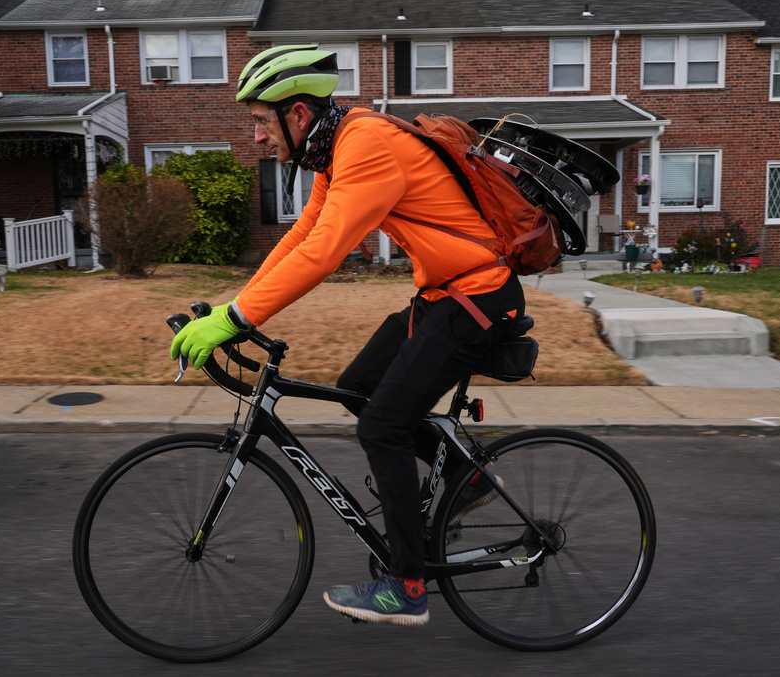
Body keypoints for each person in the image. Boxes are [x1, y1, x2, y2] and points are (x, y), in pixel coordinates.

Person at [170, 44, 525, 627]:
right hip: (446, 294)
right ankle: (467, 477)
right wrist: (235, 308)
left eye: (261, 122)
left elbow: (326, 253)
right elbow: (300, 238)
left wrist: (237, 321)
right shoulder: (336, 151)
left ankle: (408, 586)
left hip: (478, 300)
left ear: (299, 114)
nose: (257, 137)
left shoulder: (366, 145)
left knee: (381, 424)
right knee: (358, 385)